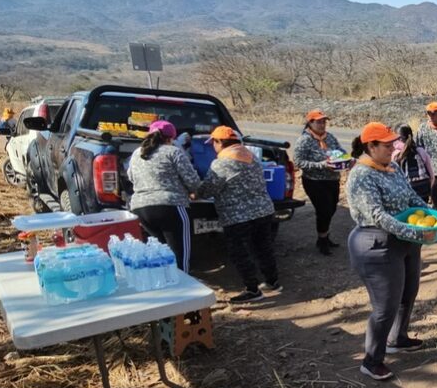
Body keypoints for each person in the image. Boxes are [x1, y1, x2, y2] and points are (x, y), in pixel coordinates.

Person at [345, 122, 434, 381]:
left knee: (408, 292)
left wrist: (431, 214)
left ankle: (398, 338)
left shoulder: (392, 166)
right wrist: (415, 233)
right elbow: (377, 216)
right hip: (376, 243)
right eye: (387, 144)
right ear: (370, 146)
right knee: (385, 306)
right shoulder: (362, 175)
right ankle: (372, 360)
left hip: (405, 238)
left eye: (394, 142)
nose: (394, 147)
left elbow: (410, 197)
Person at [195, 126, 280, 304]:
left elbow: (208, 189)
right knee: (263, 248)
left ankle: (252, 289)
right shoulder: (251, 156)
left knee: (240, 252)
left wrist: (194, 192)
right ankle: (272, 281)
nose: (213, 147)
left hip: (238, 216)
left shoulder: (222, 163)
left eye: (214, 143)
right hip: (264, 210)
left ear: (220, 142)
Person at [127, 120, 201, 272]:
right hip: (170, 206)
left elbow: (131, 177)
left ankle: (166, 284)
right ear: (171, 138)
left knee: (161, 252)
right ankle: (184, 287)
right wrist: (196, 192)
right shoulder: (173, 152)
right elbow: (192, 181)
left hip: (140, 208)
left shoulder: (137, 153)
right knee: (179, 252)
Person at [292, 109, 345, 255]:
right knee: (324, 210)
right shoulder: (304, 140)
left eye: (324, 121)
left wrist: (346, 160)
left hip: (332, 179)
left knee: (332, 208)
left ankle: (324, 237)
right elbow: (298, 162)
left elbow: (340, 151)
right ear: (310, 123)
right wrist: (321, 165)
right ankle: (322, 241)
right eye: (319, 122)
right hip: (314, 181)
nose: (322, 125)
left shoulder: (330, 137)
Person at [393, 124, 434, 202]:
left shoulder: (395, 153)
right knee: (422, 212)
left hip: (406, 191)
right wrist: (429, 190)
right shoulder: (420, 150)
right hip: (423, 189)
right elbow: (432, 175)